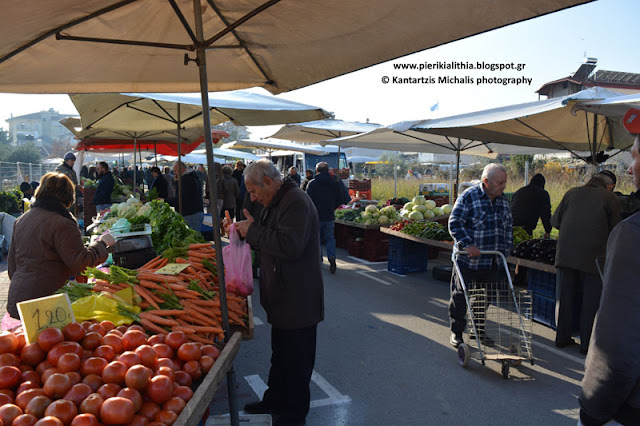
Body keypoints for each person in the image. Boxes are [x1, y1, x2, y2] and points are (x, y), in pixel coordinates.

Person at [234, 160, 323, 426]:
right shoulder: (275, 202)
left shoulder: (295, 201)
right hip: (284, 297)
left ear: (269, 182)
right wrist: (249, 230)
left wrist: (254, 233)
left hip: (298, 299)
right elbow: (268, 235)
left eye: (253, 191)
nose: (252, 197)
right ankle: (274, 400)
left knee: (297, 364)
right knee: (281, 356)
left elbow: (289, 245)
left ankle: (294, 417)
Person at [579, 134, 640, 425]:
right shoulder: (612, 201)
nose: (630, 168)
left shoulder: (633, 234)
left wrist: (594, 404)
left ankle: (566, 337)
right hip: (594, 257)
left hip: (630, 404)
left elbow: (617, 336)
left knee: (580, 300)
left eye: (635, 157)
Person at [7, 172, 115, 319]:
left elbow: (12, 267)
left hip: (18, 298)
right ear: (68, 196)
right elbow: (81, 262)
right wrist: (102, 243)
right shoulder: (62, 223)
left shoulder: (21, 220)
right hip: (44, 303)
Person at [551, 171, 620, 354]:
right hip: (593, 257)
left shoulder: (572, 192)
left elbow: (555, 221)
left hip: (565, 254)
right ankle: (586, 345)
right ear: (610, 185)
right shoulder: (610, 198)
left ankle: (562, 338)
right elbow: (616, 229)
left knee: (565, 298)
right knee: (590, 302)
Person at [448, 163, 512, 348]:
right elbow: (455, 223)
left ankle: (478, 330)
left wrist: (506, 250)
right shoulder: (469, 197)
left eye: (505, 182)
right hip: (467, 260)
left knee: (484, 297)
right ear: (486, 181)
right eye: (500, 183)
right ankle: (457, 332)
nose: (503, 186)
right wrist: (468, 244)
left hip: (491, 259)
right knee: (460, 297)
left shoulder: (503, 201)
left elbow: (508, 227)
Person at [306, 162, 350, 274]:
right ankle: (332, 257)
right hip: (330, 215)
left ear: (317, 171)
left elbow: (307, 202)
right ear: (327, 170)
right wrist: (333, 207)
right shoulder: (335, 182)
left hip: (316, 216)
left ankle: (319, 261)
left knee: (317, 239)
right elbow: (342, 198)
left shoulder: (312, 184)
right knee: (330, 238)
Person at [510, 173, 552, 238]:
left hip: (511, 225)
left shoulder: (519, 191)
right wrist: (548, 231)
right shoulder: (542, 193)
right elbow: (545, 214)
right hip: (526, 226)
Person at [170, 161, 204, 232]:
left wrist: (164, 200)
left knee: (191, 237)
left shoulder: (186, 180)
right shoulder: (192, 177)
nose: (174, 173)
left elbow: (181, 198)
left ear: (181, 170)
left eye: (175, 170)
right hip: (195, 212)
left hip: (190, 214)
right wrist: (177, 182)